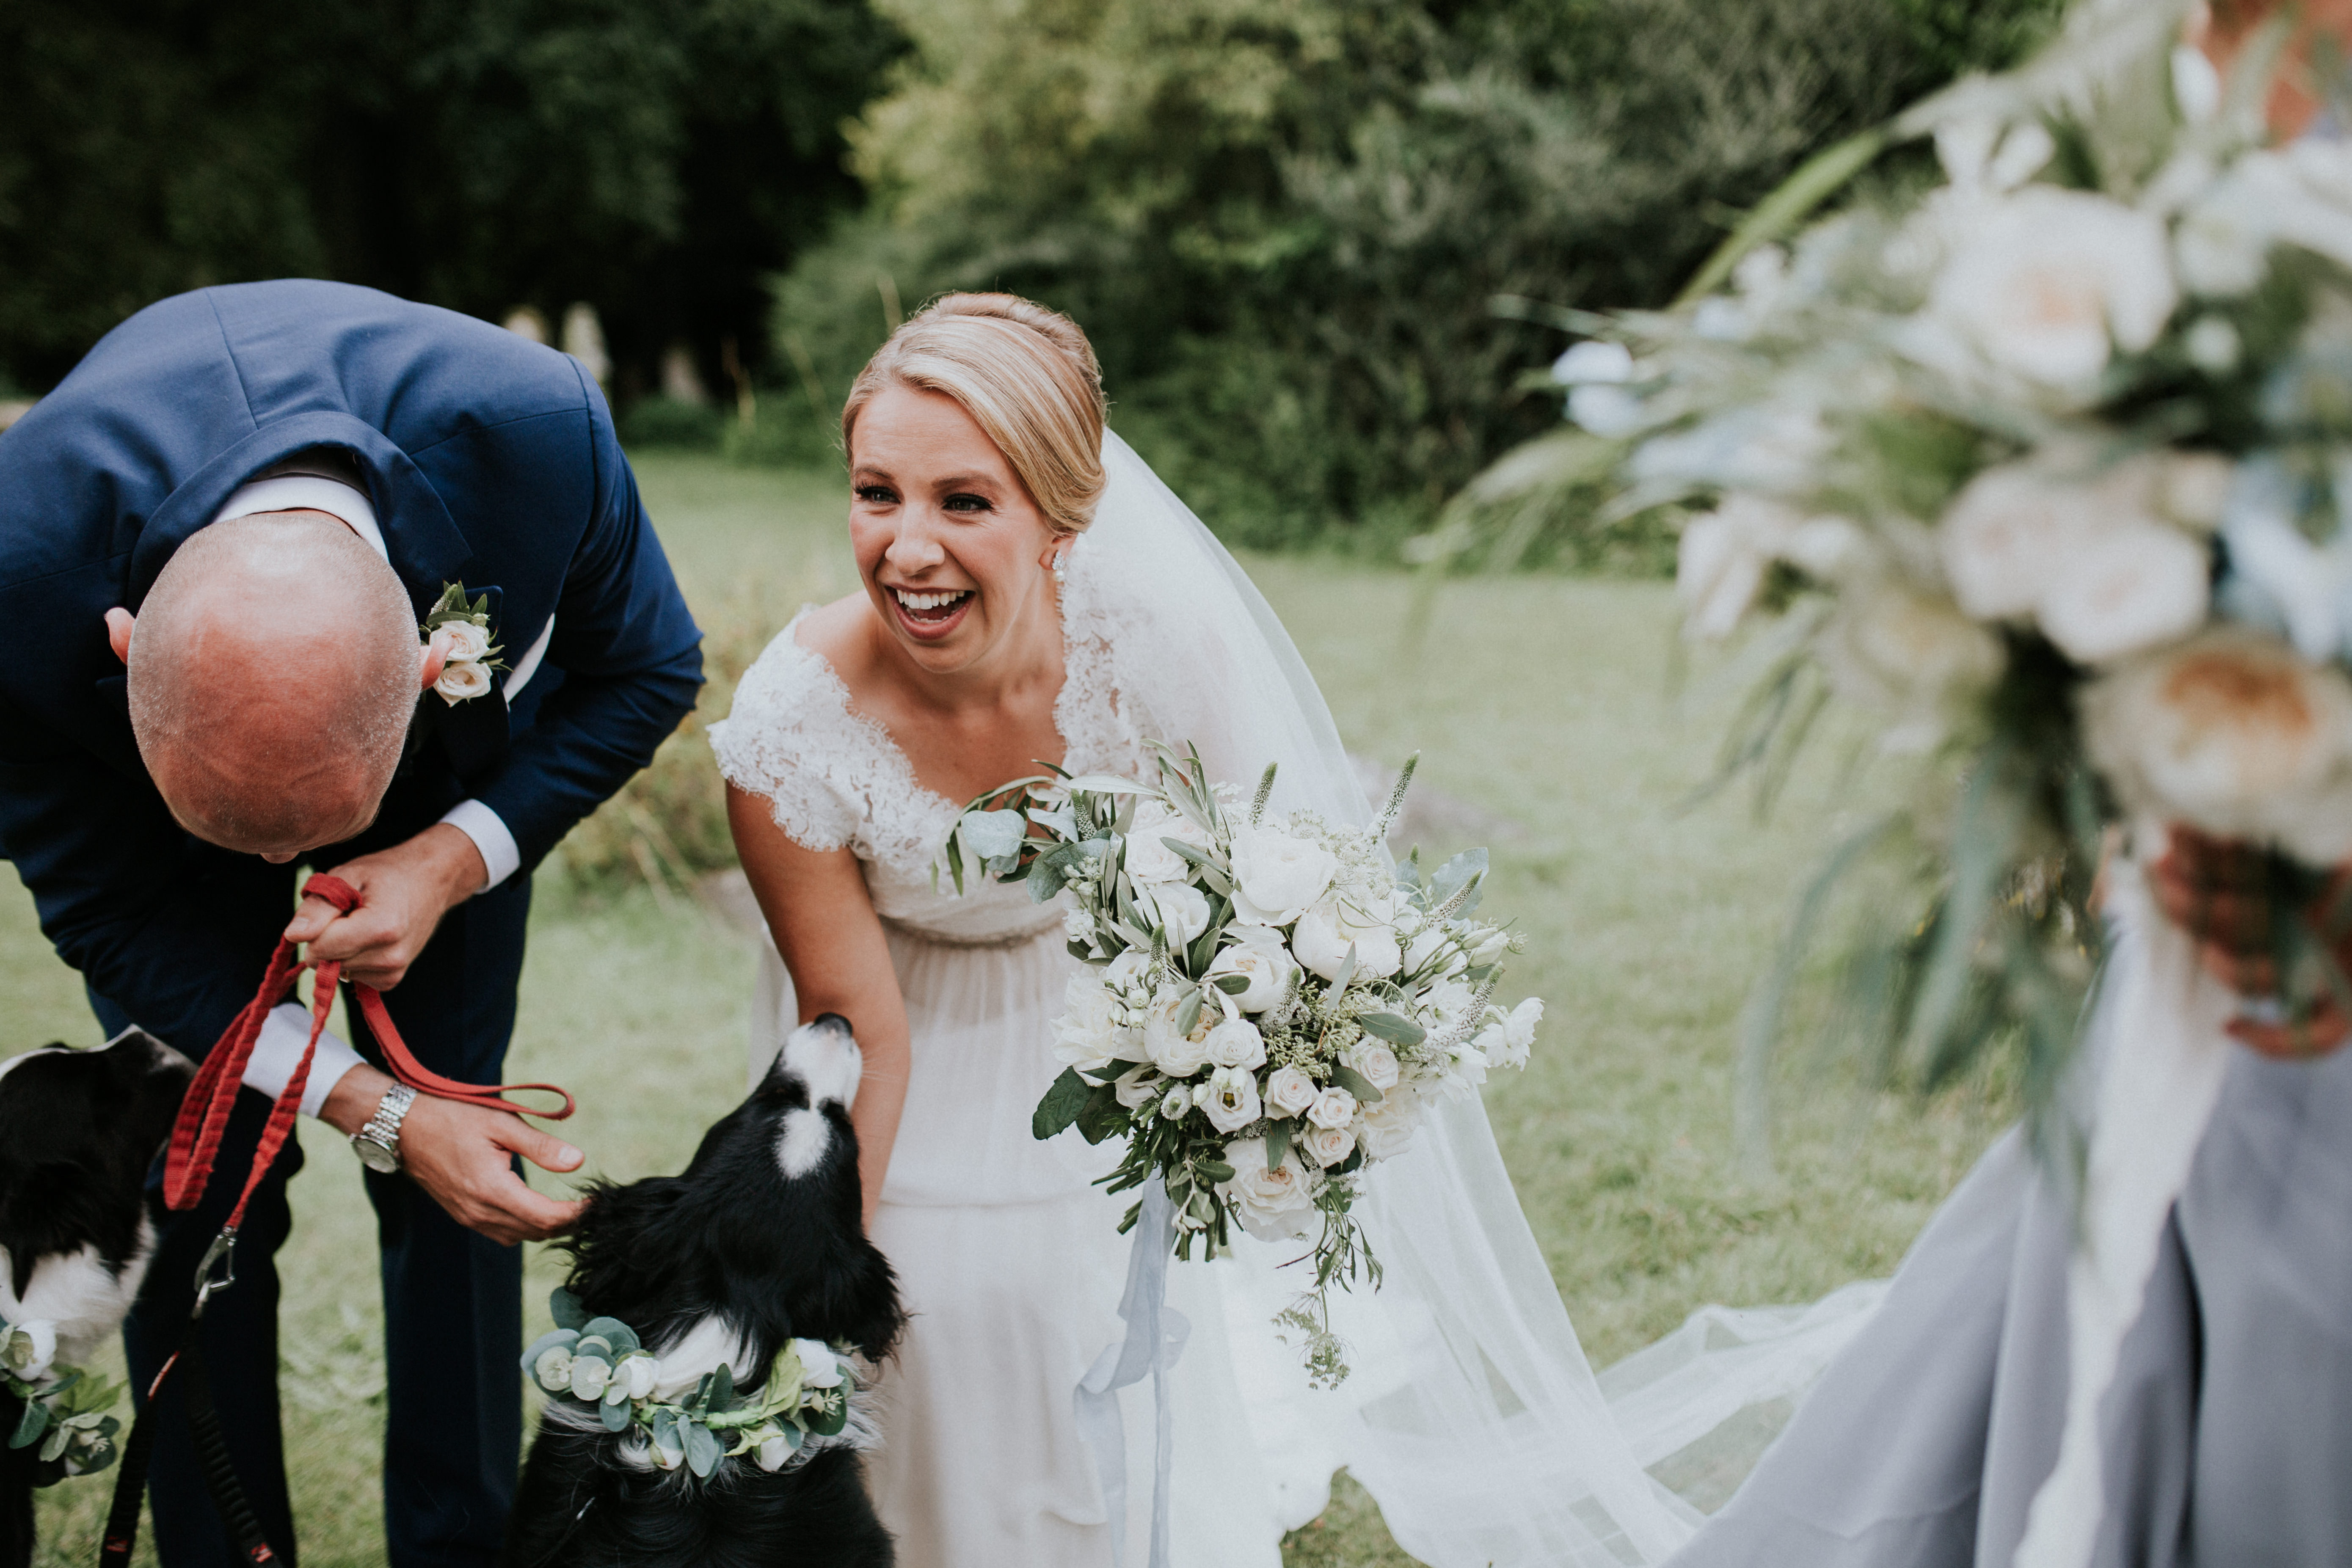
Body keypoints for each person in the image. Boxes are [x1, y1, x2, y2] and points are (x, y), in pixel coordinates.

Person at [711, 293, 1869, 1567]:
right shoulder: (792, 727)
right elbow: (852, 1023)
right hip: (902, 1041)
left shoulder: (1152, 647)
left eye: (963, 501)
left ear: (1059, 517)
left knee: (1091, 1307)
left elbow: (1262, 880)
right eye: (879, 493)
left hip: (1094, 1021)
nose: (907, 547)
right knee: (937, 1310)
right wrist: (835, 1279)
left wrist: (1263, 1065)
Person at [0, 279, 703, 1567]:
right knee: (201, 1176)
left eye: (303, 830)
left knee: (461, 1178)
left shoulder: (540, 436)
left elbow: (649, 667)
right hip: (148, 847)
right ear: (120, 639)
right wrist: (371, 1103)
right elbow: (102, 899)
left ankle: (460, 1544)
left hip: (435, 815)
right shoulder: (17, 565)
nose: (286, 876)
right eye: (251, 839)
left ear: (430, 668)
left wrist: (445, 857)